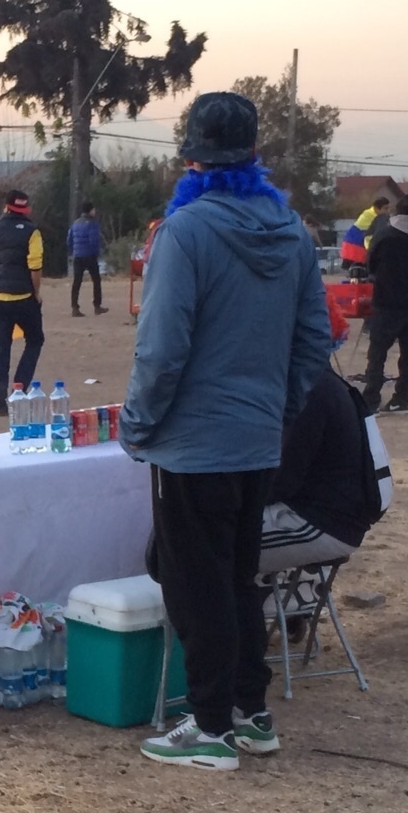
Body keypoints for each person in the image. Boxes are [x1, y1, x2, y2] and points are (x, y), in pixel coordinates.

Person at [121, 92, 330, 772]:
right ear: (254, 156)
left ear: (190, 157)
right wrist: (279, 409)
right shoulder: (295, 235)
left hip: (191, 442)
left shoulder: (185, 233)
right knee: (237, 578)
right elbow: (312, 342)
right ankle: (250, 711)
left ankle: (209, 726)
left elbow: (161, 348)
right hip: (256, 437)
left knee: (194, 582)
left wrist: (138, 422)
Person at [359, 194, 408, 414]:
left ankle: (371, 396)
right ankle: (402, 397)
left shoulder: (384, 234)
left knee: (377, 352)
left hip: (385, 300)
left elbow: (370, 264)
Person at [0, 190, 45, 416]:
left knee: (2, 346)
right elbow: (35, 266)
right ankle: (19, 389)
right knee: (35, 340)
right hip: (22, 297)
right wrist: (36, 293)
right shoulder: (32, 231)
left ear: (6, 207)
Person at [68, 201, 107, 317]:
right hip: (89, 255)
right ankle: (97, 306)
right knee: (96, 280)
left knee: (77, 282)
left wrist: (73, 251)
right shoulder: (92, 224)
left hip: (78, 256)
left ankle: (75, 307)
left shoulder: (75, 223)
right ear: (90, 210)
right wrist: (97, 252)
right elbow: (94, 241)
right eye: (94, 209)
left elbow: (69, 240)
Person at [339, 197, 390, 269]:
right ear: (377, 208)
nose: (388, 211)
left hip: (352, 245)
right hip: (356, 247)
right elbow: (370, 236)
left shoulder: (369, 214)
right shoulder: (374, 218)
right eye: (385, 208)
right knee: (358, 272)